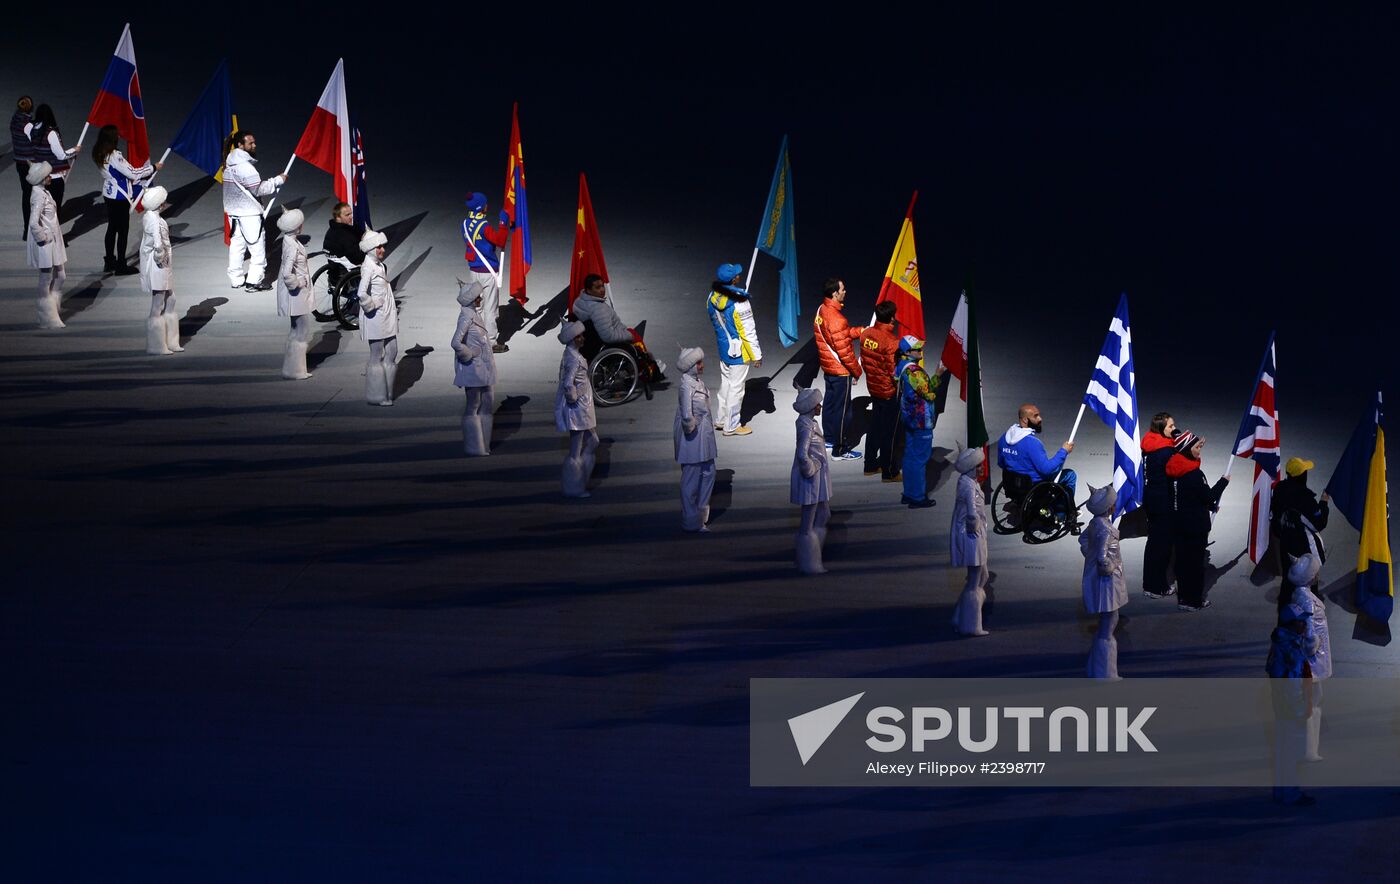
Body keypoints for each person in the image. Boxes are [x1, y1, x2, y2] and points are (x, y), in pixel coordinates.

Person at [1166, 431, 1230, 611]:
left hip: (1178, 524)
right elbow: (1208, 497)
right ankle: (1193, 601)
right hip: (1195, 527)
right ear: (1186, 450)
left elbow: (1188, 497)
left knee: (1182, 563)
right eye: (1195, 447)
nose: (1199, 450)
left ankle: (1183, 598)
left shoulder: (1172, 468)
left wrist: (1197, 442)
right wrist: (1223, 482)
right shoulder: (1195, 475)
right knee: (1194, 566)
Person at [996, 403, 1080, 531]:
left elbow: (1001, 463)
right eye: (1036, 416)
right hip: (1035, 487)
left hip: (1012, 485)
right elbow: (1047, 470)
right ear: (1025, 420)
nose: (1040, 418)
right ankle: (1061, 514)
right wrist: (1063, 451)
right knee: (1070, 475)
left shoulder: (1003, 438)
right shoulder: (1033, 443)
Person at [222, 131, 287, 291]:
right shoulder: (246, 168)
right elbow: (259, 189)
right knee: (257, 250)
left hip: (233, 214)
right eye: (250, 143)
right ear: (240, 145)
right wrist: (278, 180)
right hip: (249, 215)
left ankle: (236, 279)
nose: (254, 145)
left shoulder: (229, 165)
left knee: (237, 247)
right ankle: (254, 281)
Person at [1266, 602, 1316, 806]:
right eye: (1301, 622)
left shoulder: (1282, 643)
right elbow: (1293, 684)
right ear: (1292, 625)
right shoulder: (1291, 651)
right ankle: (1290, 793)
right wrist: (1301, 711)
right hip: (1290, 708)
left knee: (1282, 750)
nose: (1305, 625)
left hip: (1281, 706)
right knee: (1291, 751)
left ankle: (1281, 790)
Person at [570, 274, 666, 380]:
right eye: (597, 287)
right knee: (635, 338)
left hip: (589, 343)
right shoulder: (599, 309)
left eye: (602, 286)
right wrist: (629, 334)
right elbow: (608, 336)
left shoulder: (579, 302)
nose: (602, 290)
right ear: (588, 290)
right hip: (603, 344)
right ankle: (649, 368)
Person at [93, 124, 159, 274]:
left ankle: (109, 261)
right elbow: (133, 173)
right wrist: (153, 168)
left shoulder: (98, 152)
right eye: (116, 135)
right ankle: (121, 265)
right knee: (122, 231)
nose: (118, 137)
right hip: (120, 197)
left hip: (109, 194)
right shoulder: (115, 155)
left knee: (111, 229)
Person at [706, 263, 762, 436]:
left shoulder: (711, 297)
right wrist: (756, 355)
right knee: (737, 389)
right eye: (737, 274)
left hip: (723, 348)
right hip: (739, 351)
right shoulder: (740, 301)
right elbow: (748, 330)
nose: (740, 275)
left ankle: (721, 420)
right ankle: (732, 425)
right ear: (733, 279)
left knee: (726, 385)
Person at [1286, 546, 1330, 763]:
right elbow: (1309, 630)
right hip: (1312, 661)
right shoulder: (1306, 601)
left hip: (1311, 660)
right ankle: (1309, 749)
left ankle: (1309, 747)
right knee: (1312, 703)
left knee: (1313, 702)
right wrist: (1315, 644)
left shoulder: (1302, 595)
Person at [813, 278, 865, 458]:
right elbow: (844, 352)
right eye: (843, 289)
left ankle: (828, 439)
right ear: (835, 293)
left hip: (829, 368)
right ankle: (840, 449)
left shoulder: (822, 309)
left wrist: (861, 331)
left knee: (829, 405)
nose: (845, 291)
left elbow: (840, 336)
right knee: (843, 411)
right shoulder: (837, 318)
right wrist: (857, 371)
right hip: (841, 371)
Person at [1081, 484, 1128, 679]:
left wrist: (1090, 556)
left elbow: (1084, 542)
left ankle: (1100, 669)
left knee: (1107, 622)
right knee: (1109, 623)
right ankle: (1105, 672)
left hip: (1100, 578)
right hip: (1107, 582)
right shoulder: (1106, 529)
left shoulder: (1095, 523)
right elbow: (1102, 557)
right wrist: (1110, 568)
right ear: (1110, 508)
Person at [1271, 456, 1330, 611]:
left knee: (1288, 580)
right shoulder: (1305, 499)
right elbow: (1320, 523)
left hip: (1285, 545)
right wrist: (1324, 503)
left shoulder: (1279, 489)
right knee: (1310, 583)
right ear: (1302, 476)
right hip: (1304, 549)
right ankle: (1311, 615)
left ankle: (1285, 616)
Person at [896, 337, 946, 508]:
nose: (920, 351)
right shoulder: (915, 373)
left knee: (910, 456)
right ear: (907, 352)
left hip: (909, 418)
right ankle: (917, 497)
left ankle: (909, 494)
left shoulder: (901, 366)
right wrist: (938, 375)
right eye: (917, 349)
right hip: (921, 421)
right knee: (919, 459)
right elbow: (929, 393)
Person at [452, 279, 498, 456]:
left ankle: (484, 444)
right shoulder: (466, 317)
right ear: (471, 300)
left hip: (484, 368)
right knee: (474, 405)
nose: (480, 299)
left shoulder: (474, 314)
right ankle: (474, 445)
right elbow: (455, 342)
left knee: (487, 404)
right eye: (478, 297)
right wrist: (470, 353)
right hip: (473, 368)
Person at [674, 347, 717, 531]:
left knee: (709, 472)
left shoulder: (696, 382)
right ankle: (691, 518)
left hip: (704, 435)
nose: (702, 366)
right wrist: (693, 425)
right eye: (698, 363)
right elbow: (686, 415)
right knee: (691, 477)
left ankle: (701, 512)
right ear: (690, 366)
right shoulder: (686, 385)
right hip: (692, 437)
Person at [461, 192, 509, 352]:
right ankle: (491, 342)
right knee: (490, 307)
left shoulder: (465, 223)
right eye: (486, 204)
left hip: (473, 270)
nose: (488, 205)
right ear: (481, 207)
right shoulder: (484, 226)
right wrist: (503, 223)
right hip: (488, 271)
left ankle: (476, 338)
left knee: (478, 307)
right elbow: (500, 241)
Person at [860, 300, 902, 480]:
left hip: (873, 387)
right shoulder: (892, 342)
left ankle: (870, 464)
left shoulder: (866, 334)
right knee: (888, 432)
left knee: (875, 426)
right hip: (887, 391)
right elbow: (894, 372)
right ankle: (889, 471)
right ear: (892, 317)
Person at [555, 321, 598, 498]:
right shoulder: (573, 358)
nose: (582, 338)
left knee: (594, 441)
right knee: (576, 450)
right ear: (573, 339)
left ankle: (580, 478)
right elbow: (567, 384)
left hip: (582, 406)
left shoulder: (572, 354)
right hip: (577, 408)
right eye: (579, 336)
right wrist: (577, 395)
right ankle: (574, 486)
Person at [950, 447, 990, 637]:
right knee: (975, 580)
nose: (983, 468)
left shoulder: (968, 482)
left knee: (981, 576)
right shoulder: (968, 485)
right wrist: (978, 531)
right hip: (971, 536)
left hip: (972, 533)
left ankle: (960, 616)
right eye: (980, 465)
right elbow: (972, 513)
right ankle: (971, 624)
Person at [791, 388, 832, 574]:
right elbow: (802, 453)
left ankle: (813, 553)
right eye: (817, 404)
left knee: (824, 514)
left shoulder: (810, 422)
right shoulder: (806, 426)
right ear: (810, 407)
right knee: (807, 523)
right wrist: (812, 467)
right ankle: (808, 561)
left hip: (818, 476)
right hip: (811, 478)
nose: (820, 406)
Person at [137, 185, 181, 355]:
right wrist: (160, 256)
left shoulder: (152, 216)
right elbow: (157, 242)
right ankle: (157, 344)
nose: (165, 204)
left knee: (171, 300)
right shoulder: (153, 220)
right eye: (163, 202)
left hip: (164, 264)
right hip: (158, 265)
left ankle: (171, 340)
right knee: (159, 303)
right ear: (159, 204)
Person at [1140, 411, 1179, 599]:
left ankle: (1149, 583)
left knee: (1153, 543)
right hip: (1164, 502)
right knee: (1162, 546)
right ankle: (1157, 587)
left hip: (1150, 498)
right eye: (1170, 426)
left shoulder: (1148, 443)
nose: (1174, 429)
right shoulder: (1166, 451)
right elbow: (1178, 471)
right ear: (1161, 429)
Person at [356, 228, 397, 406]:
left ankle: (387, 391)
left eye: (383, 246)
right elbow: (361, 293)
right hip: (375, 316)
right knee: (376, 355)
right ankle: (377, 394)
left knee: (393, 351)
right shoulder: (368, 267)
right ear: (371, 249)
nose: (383, 250)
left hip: (387, 315)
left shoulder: (378, 265)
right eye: (379, 247)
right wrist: (373, 304)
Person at [26, 162, 66, 329]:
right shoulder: (38, 196)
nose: (50, 177)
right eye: (47, 176)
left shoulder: (43, 192)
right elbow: (34, 223)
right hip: (46, 242)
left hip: (54, 239)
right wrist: (44, 237)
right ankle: (46, 315)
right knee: (46, 278)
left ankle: (52, 308)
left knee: (61, 276)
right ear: (41, 179)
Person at [276, 209, 313, 379]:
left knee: (296, 329)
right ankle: (296, 370)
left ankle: (293, 368)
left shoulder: (290, 241)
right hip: (295, 293)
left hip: (296, 293)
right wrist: (298, 283)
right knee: (301, 329)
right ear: (297, 227)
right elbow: (286, 273)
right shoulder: (291, 246)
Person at [24, 104, 76, 209]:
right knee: (54, 208)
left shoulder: (29, 128)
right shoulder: (51, 133)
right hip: (54, 176)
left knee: (41, 207)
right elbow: (61, 155)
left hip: (39, 175)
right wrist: (74, 150)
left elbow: (28, 127)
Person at [322, 201, 364, 289]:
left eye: (351, 213)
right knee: (381, 266)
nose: (351, 217)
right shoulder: (345, 235)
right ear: (338, 217)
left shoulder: (331, 231)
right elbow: (356, 258)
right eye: (347, 215)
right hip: (349, 268)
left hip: (336, 270)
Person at [12, 96, 35, 239]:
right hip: (30, 163)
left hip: (19, 162)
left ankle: (27, 229)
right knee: (34, 196)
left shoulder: (14, 119)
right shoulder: (28, 124)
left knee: (26, 195)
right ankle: (31, 228)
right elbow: (35, 141)